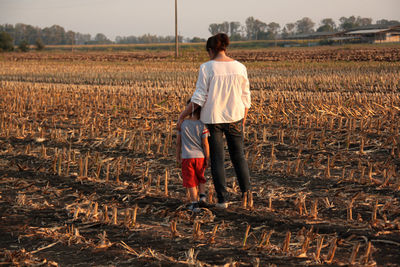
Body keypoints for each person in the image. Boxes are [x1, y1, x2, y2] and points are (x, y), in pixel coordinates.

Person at [177, 33, 251, 209]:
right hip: (236, 117)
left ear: (210, 50)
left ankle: (222, 200)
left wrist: (182, 115)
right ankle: (248, 197)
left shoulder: (207, 68)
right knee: (238, 157)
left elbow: (199, 98)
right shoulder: (240, 67)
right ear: (225, 48)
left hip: (213, 118)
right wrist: (243, 118)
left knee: (217, 158)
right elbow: (246, 97)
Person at [176, 100, 210, 212]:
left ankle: (194, 204)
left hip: (187, 157)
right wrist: (207, 157)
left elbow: (178, 142)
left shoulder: (183, 124)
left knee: (191, 181)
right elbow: (205, 144)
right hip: (200, 157)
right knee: (201, 177)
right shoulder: (202, 125)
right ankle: (203, 197)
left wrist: (178, 156)